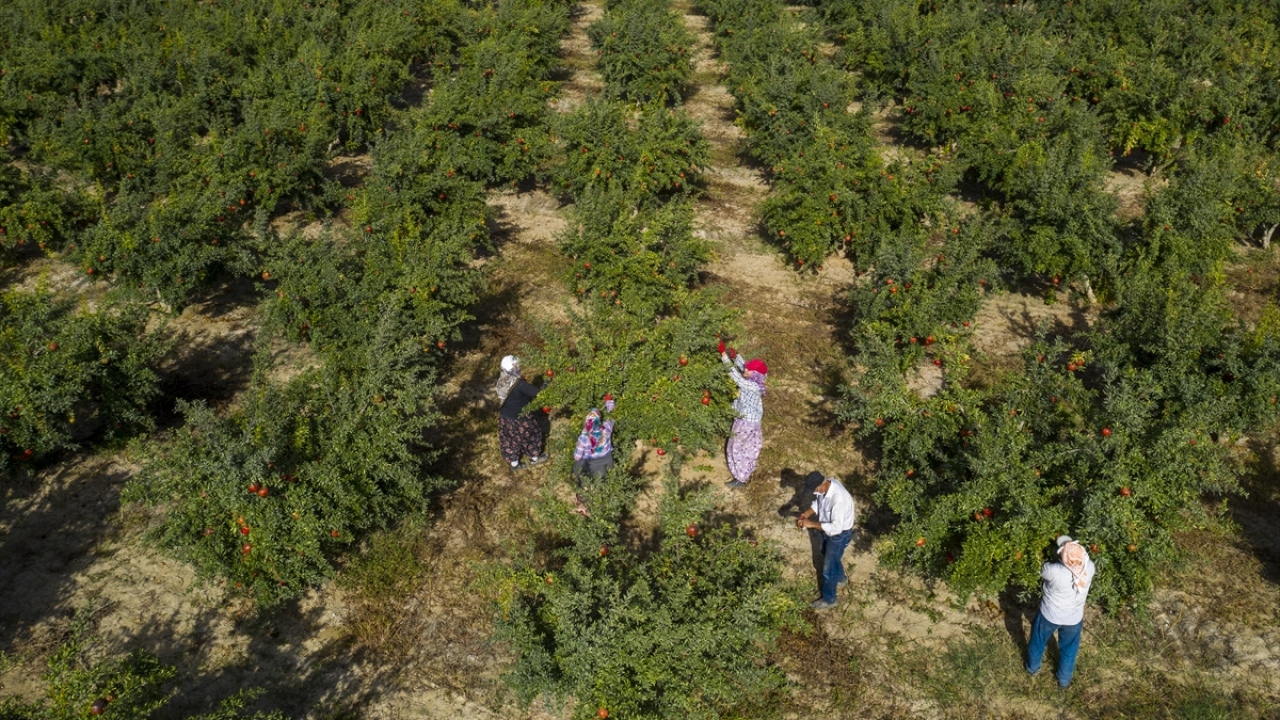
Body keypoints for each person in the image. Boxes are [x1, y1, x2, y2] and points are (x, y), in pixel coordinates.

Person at [1026, 535, 1096, 688]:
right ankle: (1064, 680)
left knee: (1038, 641)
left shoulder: (1054, 571)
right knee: (1069, 648)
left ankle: (1032, 668)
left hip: (1049, 615)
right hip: (1074, 618)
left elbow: (1041, 569)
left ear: (1062, 555)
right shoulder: (1089, 567)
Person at [796, 471, 855, 610]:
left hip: (839, 534)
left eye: (814, 489)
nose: (814, 492)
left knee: (828, 568)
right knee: (825, 552)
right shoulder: (825, 489)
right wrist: (806, 514)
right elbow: (818, 504)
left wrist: (810, 524)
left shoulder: (838, 498)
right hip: (827, 529)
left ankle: (830, 599)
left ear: (821, 484)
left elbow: (836, 528)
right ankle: (840, 578)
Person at [721, 346, 766, 489]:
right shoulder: (754, 382)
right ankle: (743, 474)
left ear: (755, 375)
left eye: (748, 370)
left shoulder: (751, 386)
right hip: (747, 422)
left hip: (746, 424)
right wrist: (736, 356)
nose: (745, 371)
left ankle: (740, 479)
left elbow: (735, 376)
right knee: (744, 447)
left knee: (737, 448)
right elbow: (743, 367)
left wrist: (723, 355)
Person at [495, 355, 547, 471]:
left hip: (505, 417)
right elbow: (539, 394)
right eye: (517, 365)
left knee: (509, 440)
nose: (520, 367)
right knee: (533, 434)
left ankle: (515, 464)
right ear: (513, 368)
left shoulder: (502, 380)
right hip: (521, 418)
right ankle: (535, 458)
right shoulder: (520, 384)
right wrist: (545, 385)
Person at [571, 396, 616, 516]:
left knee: (584, 483)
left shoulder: (584, 438)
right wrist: (609, 404)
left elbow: (577, 457)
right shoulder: (606, 428)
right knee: (601, 485)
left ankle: (584, 507)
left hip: (589, 467)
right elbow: (612, 417)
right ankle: (600, 506)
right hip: (606, 463)